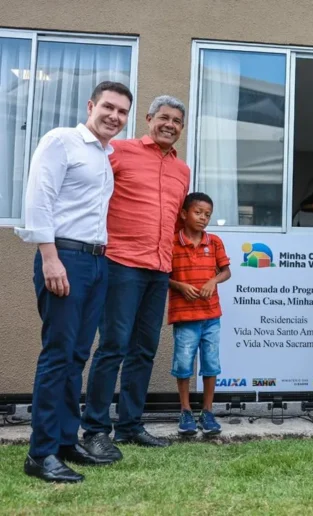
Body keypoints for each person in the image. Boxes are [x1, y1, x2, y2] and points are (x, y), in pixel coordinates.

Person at [14, 82, 133, 483]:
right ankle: (41, 453)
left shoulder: (105, 155)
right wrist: (50, 257)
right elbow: (38, 199)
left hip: (98, 262)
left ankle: (66, 441)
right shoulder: (62, 141)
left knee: (78, 355)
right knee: (58, 354)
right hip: (65, 257)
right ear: (91, 105)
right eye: (108, 107)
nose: (114, 117)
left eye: (122, 112)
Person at [81, 96, 191, 458]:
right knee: (113, 346)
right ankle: (96, 428)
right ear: (148, 119)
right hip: (121, 264)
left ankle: (130, 425)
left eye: (177, 120)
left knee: (144, 350)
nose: (170, 125)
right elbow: (90, 195)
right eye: (164, 117)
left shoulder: (182, 170)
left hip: (159, 269)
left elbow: (175, 220)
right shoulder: (119, 152)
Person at [168, 192, 231, 436]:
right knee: (183, 363)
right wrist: (179, 286)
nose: (203, 218)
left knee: (211, 363)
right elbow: (162, 275)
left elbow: (226, 271)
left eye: (207, 214)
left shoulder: (214, 242)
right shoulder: (172, 242)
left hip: (211, 316)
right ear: (184, 214)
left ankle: (207, 411)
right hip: (184, 317)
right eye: (198, 212)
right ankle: (185, 411)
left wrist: (213, 281)